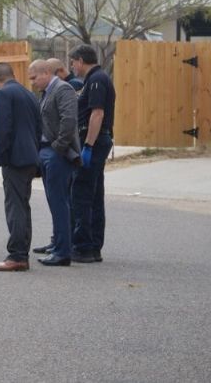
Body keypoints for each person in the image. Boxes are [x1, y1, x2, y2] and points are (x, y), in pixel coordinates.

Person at [0, 62, 41, 272]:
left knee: (15, 206)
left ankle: (17, 255)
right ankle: (21, 253)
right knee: (23, 205)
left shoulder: (3, 94)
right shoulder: (29, 94)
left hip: (14, 159)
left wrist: (0, 156)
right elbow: (39, 127)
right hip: (30, 157)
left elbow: (3, 129)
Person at [28, 60, 80, 266]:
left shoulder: (63, 89)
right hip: (47, 151)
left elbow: (69, 121)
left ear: (47, 72)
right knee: (54, 202)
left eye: (34, 77)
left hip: (57, 152)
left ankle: (62, 252)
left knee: (59, 203)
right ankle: (57, 245)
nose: (32, 82)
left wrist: (58, 147)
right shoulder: (48, 92)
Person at [68, 45, 116, 263]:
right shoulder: (96, 78)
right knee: (94, 195)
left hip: (93, 142)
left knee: (82, 194)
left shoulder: (96, 80)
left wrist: (88, 145)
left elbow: (97, 114)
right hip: (97, 141)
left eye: (72, 62)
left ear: (80, 60)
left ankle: (84, 247)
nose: (72, 67)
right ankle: (94, 246)